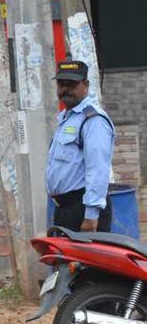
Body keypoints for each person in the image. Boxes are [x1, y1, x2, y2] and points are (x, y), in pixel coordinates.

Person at [47, 59, 115, 232]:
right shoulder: (66, 117)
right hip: (65, 210)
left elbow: (98, 169)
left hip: (83, 211)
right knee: (63, 260)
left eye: (72, 84)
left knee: (86, 260)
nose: (65, 89)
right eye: (62, 84)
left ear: (85, 85)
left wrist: (91, 216)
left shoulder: (93, 120)